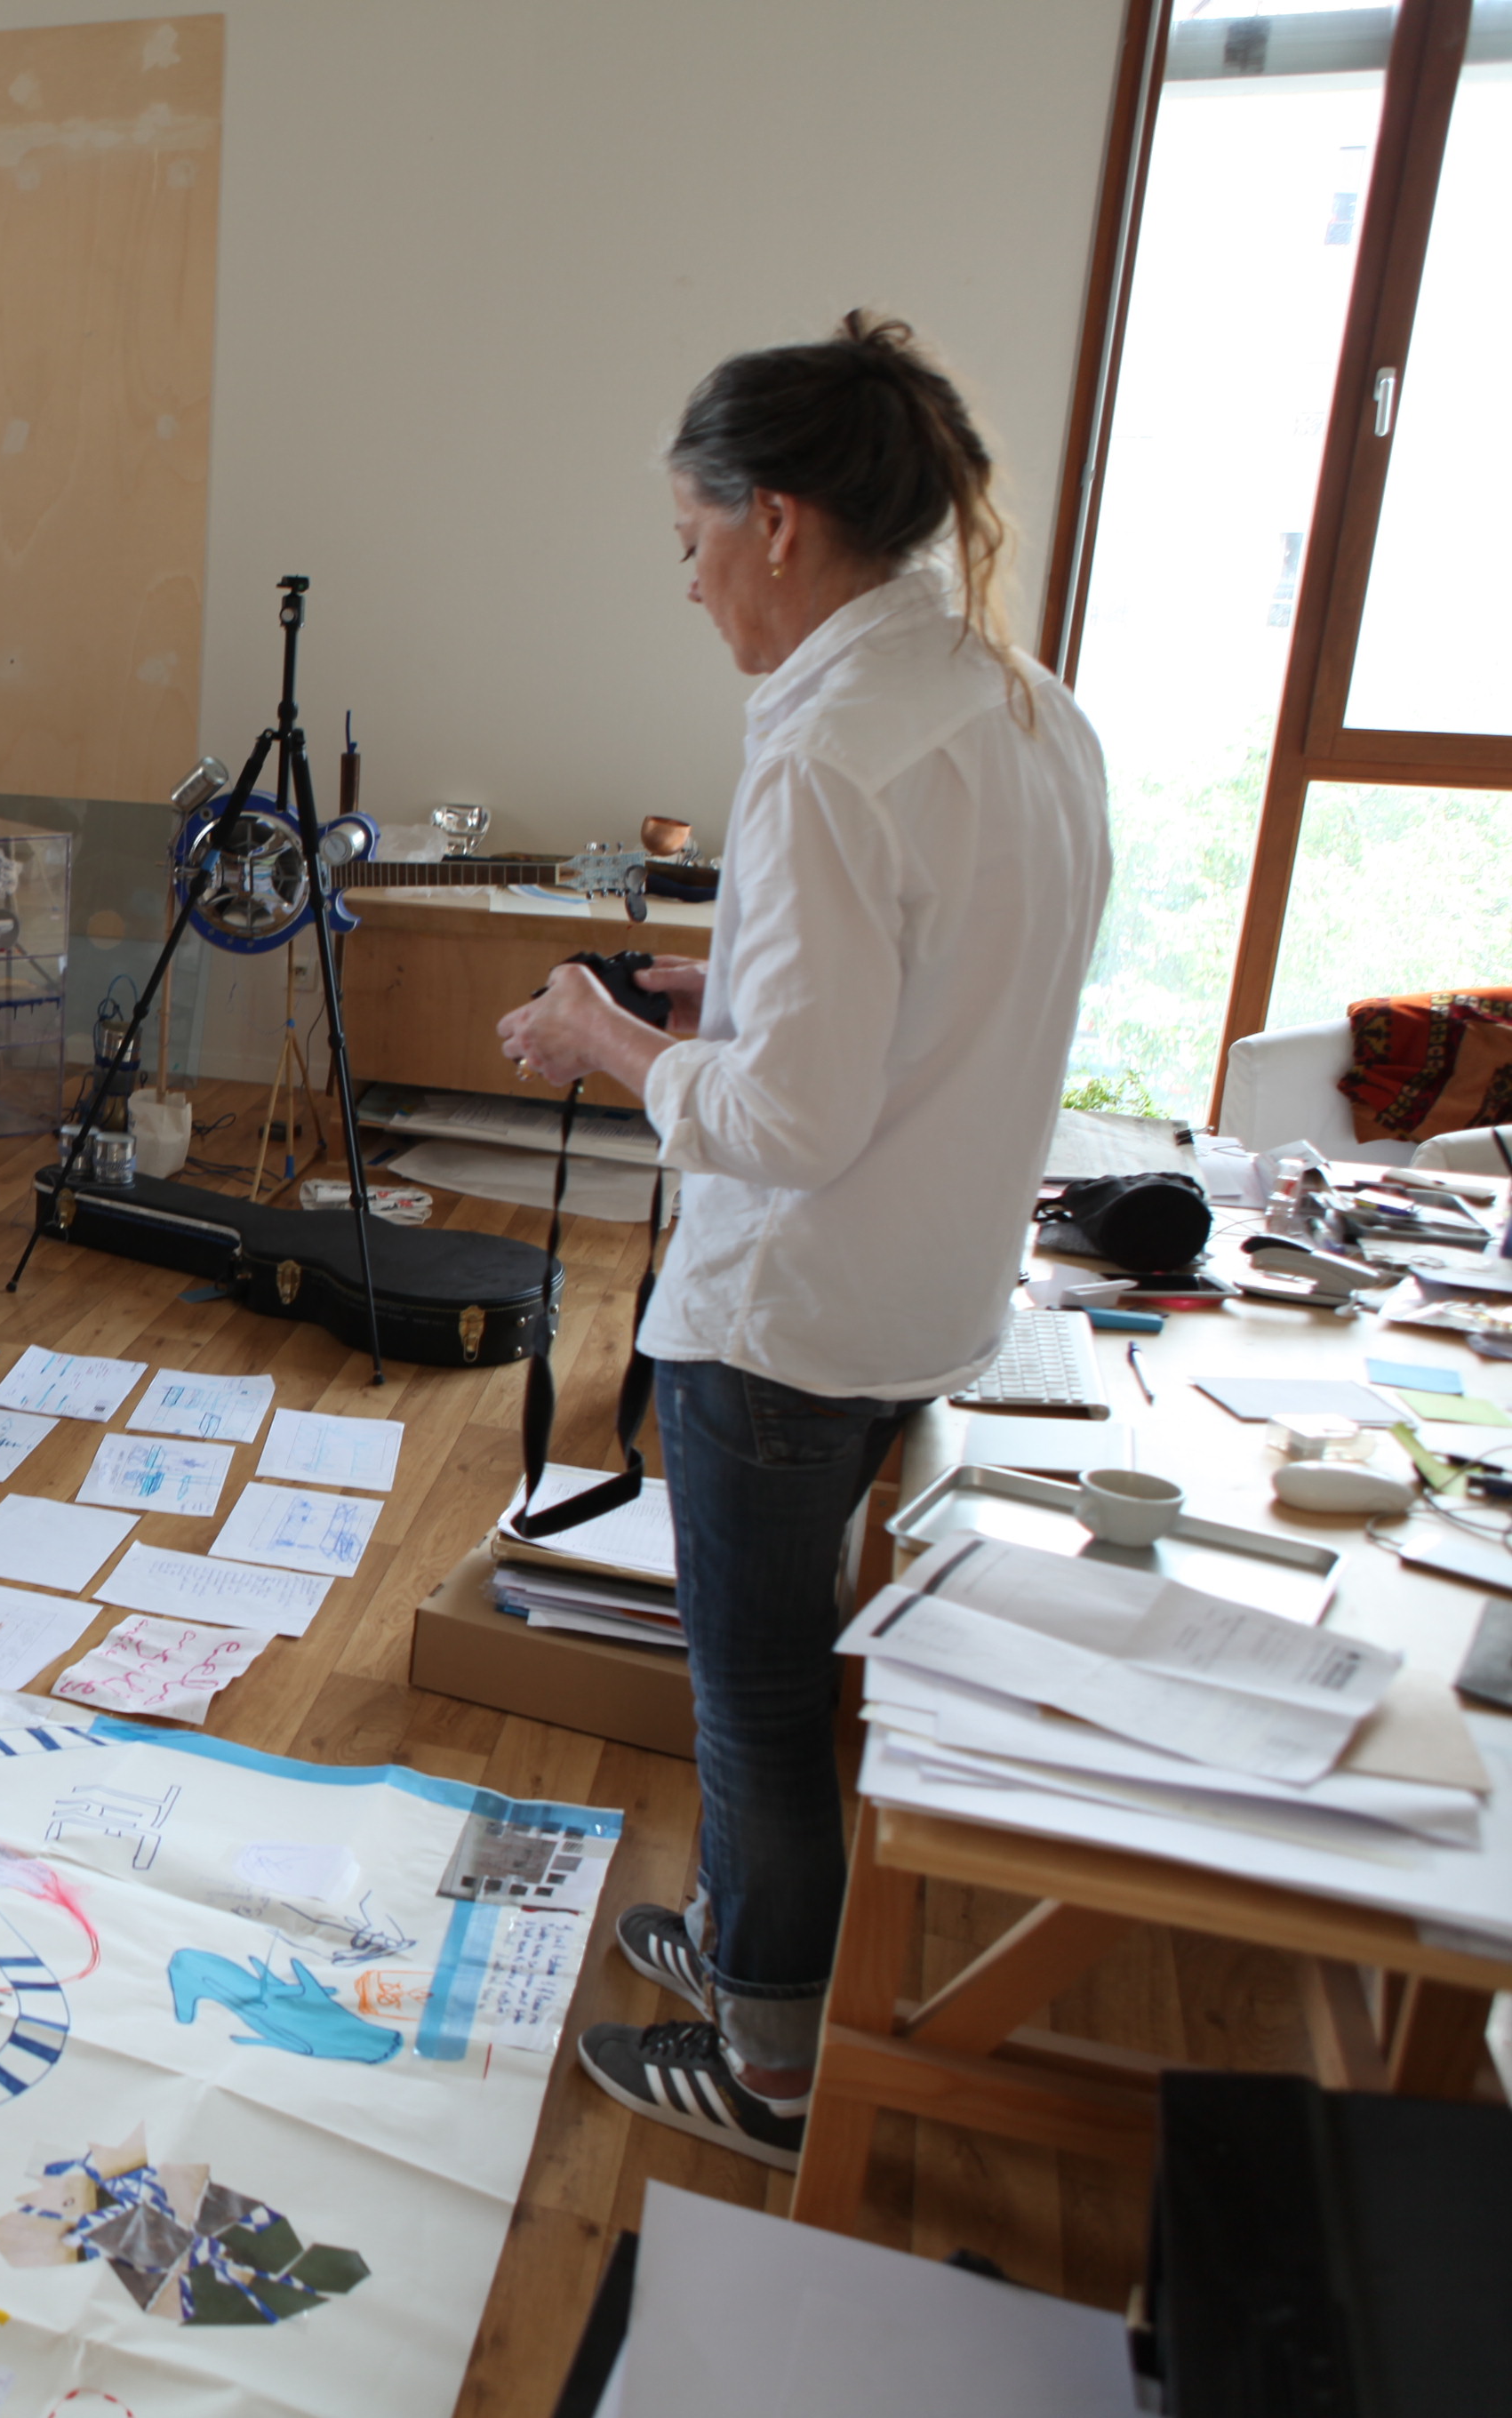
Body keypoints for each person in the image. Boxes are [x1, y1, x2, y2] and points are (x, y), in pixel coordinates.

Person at [494, 312, 1110, 2167]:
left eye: (691, 542)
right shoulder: (1027, 705)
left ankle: (770, 2063)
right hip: (930, 1292)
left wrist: (609, 1040)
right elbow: (940, 997)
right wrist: (729, 989)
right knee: (785, 1670)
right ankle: (749, 1939)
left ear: (774, 520)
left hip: (788, 1314)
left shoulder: (830, 746)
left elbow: (789, 1123)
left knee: (756, 1694)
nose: (689, 585)